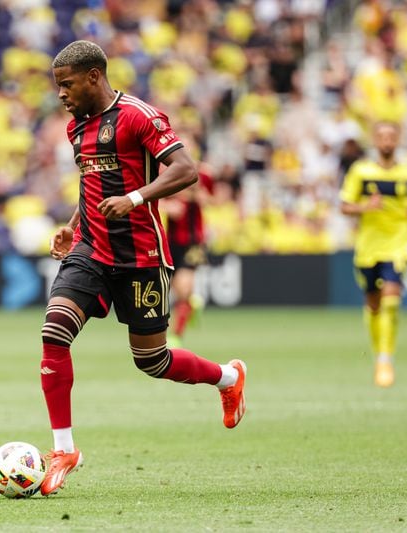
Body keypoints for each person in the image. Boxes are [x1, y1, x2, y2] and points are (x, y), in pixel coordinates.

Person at [40, 40, 247, 496]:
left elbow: (186, 169)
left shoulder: (138, 116)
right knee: (54, 331)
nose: (61, 94)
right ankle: (63, 449)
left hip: (141, 258)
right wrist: (72, 225)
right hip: (91, 250)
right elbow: (91, 181)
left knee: (152, 360)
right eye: (58, 87)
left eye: (67, 84)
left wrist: (135, 199)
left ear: (94, 76)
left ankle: (229, 377)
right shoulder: (76, 127)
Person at [340, 122, 407, 388]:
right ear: (375, 141)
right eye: (382, 137)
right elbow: (344, 206)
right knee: (373, 303)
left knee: (391, 300)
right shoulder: (361, 171)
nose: (387, 141)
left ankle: (386, 359)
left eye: (391, 136)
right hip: (368, 247)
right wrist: (366, 206)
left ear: (397, 140)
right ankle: (379, 355)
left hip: (398, 245)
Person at [164, 167, 211, 348]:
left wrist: (189, 194)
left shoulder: (203, 174)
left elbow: (211, 199)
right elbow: (158, 200)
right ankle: (193, 304)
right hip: (171, 242)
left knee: (182, 289)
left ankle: (176, 335)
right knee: (177, 291)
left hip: (193, 243)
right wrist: (168, 205)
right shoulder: (166, 175)